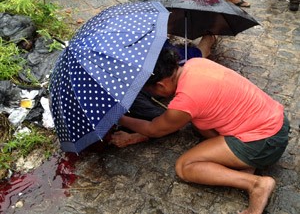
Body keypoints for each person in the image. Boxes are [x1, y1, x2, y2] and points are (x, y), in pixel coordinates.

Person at [113, 47, 290, 214]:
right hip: (276, 122)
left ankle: (256, 184)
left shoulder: (184, 103)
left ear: (160, 85)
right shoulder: (195, 63)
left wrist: (119, 117)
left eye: (151, 90)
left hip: (264, 143)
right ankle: (242, 162)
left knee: (185, 167)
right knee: (198, 123)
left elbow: (153, 129)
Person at [111, 34, 216, 147]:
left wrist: (119, 120)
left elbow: (157, 129)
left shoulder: (185, 100)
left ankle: (210, 35)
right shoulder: (194, 64)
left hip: (232, 136)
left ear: (160, 85)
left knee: (185, 163)